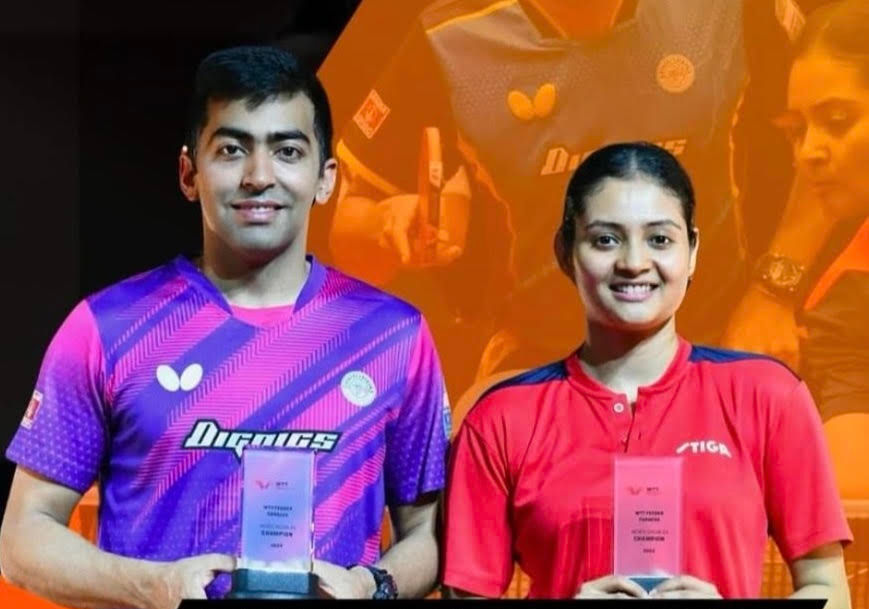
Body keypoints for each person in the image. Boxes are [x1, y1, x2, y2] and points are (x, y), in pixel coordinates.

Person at [0, 46, 449, 609]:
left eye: (287, 151)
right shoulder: (107, 328)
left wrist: (369, 588)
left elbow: (426, 536)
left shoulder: (394, 336)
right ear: (189, 173)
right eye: (232, 149)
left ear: (326, 178)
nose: (259, 176)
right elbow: (23, 539)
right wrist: (152, 587)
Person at [442, 142, 852, 609]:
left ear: (692, 251)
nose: (634, 263)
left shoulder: (768, 395)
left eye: (660, 239)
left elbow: (831, 597)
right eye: (606, 240)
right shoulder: (502, 417)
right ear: (565, 253)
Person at [327, 0, 825, 402]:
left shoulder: (733, 11)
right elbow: (348, 235)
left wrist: (774, 292)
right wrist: (387, 225)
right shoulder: (449, 41)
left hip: (719, 338)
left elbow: (841, 144)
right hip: (545, 361)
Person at [724, 0, 869, 499]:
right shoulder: (846, 300)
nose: (809, 152)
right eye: (798, 131)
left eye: (837, 120)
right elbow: (852, 495)